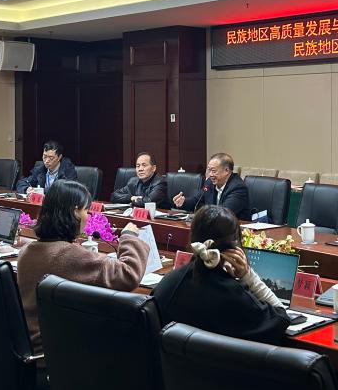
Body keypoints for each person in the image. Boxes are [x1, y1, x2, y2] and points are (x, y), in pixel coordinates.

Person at [16, 180, 150, 363]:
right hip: (60, 356)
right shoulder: (69, 256)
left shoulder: (27, 252)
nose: (88, 217)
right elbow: (128, 274)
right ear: (74, 212)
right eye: (86, 211)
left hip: (32, 351)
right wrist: (129, 237)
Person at [152, 205, 290, 344]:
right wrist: (248, 275)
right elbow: (282, 318)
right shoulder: (234, 295)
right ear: (234, 247)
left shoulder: (169, 281)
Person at [172, 152, 250, 220]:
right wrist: (183, 202)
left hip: (234, 229)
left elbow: (224, 213)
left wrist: (202, 213)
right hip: (214, 225)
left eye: (213, 171)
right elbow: (196, 201)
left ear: (226, 170)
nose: (210, 175)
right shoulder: (209, 183)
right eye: (209, 170)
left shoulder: (238, 188)